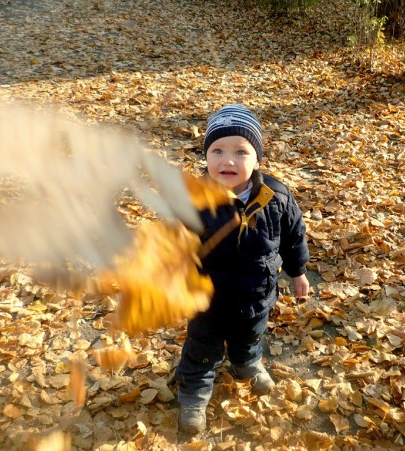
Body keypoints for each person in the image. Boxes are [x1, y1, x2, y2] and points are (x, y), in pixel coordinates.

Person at [176, 104, 310, 434]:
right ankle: (194, 394)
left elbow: (293, 236)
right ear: (206, 156)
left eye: (241, 151)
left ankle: (246, 363)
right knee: (202, 348)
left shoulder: (276, 197)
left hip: (256, 292)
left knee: (250, 336)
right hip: (206, 298)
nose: (228, 160)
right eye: (217, 150)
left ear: (257, 158)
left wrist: (298, 271)